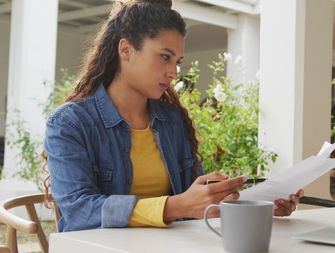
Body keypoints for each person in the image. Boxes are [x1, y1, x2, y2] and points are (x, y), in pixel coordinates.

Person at [44, 0, 303, 232]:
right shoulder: (70, 123)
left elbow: (194, 203)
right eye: (165, 57)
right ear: (126, 50)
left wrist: (257, 206)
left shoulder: (171, 120)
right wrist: (174, 207)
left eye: (177, 61)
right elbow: (79, 210)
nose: (173, 72)